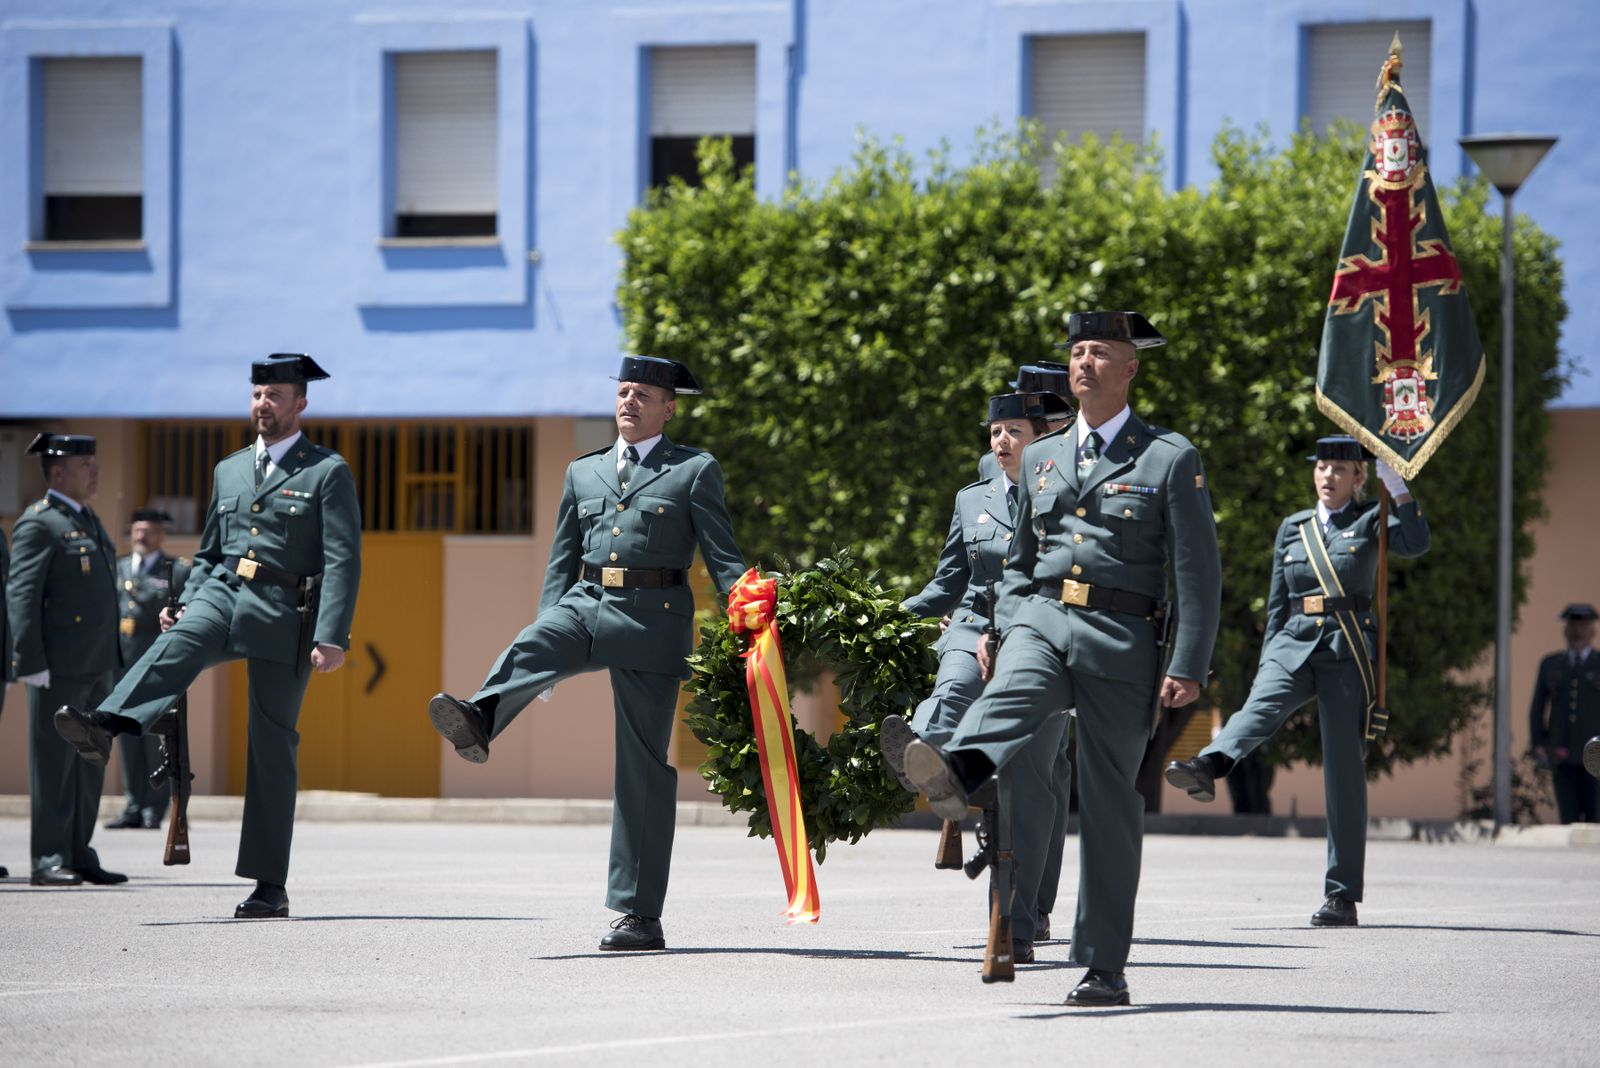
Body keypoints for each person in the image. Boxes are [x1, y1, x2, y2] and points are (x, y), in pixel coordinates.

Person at [900, 311, 1221, 1006]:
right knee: (1010, 691)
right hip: (1043, 618)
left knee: (1109, 803)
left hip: (1121, 637)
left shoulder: (1168, 456)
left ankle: (1105, 965)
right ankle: (957, 769)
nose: (1084, 362)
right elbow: (1017, 564)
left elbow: (1197, 570)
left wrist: (1189, 661)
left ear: (1130, 368)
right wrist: (1007, 622)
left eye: (1100, 352)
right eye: (1076, 352)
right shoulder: (1042, 458)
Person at [425, 355, 745, 952]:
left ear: (668, 408)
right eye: (623, 392)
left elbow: (723, 557)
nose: (629, 402)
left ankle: (639, 916)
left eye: (643, 395)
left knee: (643, 769)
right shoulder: (584, 472)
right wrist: (547, 652)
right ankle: (482, 716)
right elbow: (559, 560)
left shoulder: (695, 470)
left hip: (656, 620)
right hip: (589, 601)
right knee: (536, 640)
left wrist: (750, 614)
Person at [55, 355, 362, 917]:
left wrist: (332, 634)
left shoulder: (327, 472)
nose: (261, 405)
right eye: (256, 396)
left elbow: (343, 559)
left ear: (300, 404)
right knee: (179, 639)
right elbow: (211, 552)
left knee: (272, 745)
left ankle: (270, 885)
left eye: (273, 396)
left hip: (284, 611)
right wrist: (189, 599)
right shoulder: (229, 469)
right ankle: (110, 723)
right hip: (223, 593)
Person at [1165, 436, 1430, 927]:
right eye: (1322, 467)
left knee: (1344, 773)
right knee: (1258, 707)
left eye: (1339, 469)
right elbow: (1277, 603)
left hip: (1347, 649)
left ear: (1358, 479)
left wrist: (1397, 480)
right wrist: (1270, 657)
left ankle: (1342, 894)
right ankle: (1211, 763)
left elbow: (1415, 542)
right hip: (1292, 642)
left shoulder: (1372, 519)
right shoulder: (1294, 528)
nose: (1327, 476)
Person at [881, 392, 1060, 962]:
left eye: (1014, 431)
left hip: (1040, 638)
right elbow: (946, 583)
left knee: (1028, 793)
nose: (1002, 441)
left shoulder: (1067, 496)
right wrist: (886, 613)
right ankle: (924, 760)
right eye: (995, 431)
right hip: (972, 624)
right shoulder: (972, 500)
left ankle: (1020, 924)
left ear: (1042, 442)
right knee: (953, 684)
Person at [7, 434, 124, 887]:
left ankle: (79, 850)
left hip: (97, 662)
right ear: (58, 472)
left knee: (91, 759)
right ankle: (48, 856)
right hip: (57, 664)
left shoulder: (86, 517)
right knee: (55, 761)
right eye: (85, 464)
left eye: (95, 462)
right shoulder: (40, 522)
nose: (94, 470)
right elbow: (22, 595)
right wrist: (29, 660)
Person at [104, 509, 190, 831]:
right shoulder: (118, 566)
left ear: (161, 534)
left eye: (148, 531)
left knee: (155, 736)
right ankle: (134, 805)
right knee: (126, 736)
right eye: (137, 530)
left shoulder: (177, 571)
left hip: (155, 664)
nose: (141, 536)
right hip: (122, 663)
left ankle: (155, 807)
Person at [1528, 603, 1599, 824]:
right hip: (1562, 751)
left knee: (1595, 819)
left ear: (1593, 631)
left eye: (1583, 626)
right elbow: (1538, 708)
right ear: (1565, 630)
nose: (1578, 632)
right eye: (1573, 626)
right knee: (1568, 819)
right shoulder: (1551, 664)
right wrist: (1539, 744)